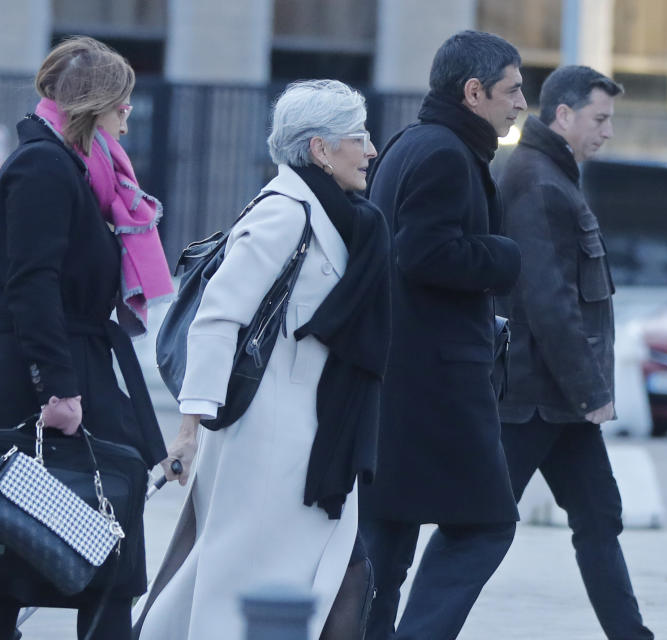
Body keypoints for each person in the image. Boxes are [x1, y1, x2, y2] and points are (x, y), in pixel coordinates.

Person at [133, 79, 389, 640]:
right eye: (359, 137)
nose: (371, 150)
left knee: (325, 576)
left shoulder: (341, 217)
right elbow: (216, 318)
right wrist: (189, 427)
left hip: (311, 438)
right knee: (239, 580)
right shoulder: (284, 213)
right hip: (266, 444)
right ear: (320, 149)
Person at [0, 36, 172, 639]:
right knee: (49, 544)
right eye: (121, 103)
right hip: (46, 374)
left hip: (75, 363)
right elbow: (31, 284)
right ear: (93, 105)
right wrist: (58, 389)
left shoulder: (75, 167)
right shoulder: (44, 166)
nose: (128, 113)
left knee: (96, 546)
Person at [360, 30, 526, 640]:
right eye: (512, 90)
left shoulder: (413, 143)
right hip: (437, 381)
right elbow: (422, 253)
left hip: (400, 375)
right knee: (486, 524)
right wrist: (504, 257)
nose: (520, 104)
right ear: (474, 91)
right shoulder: (444, 154)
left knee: (387, 534)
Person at [496, 65, 656, 639]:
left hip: (559, 403)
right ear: (563, 115)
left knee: (598, 517)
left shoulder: (554, 176)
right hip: (535, 398)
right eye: (600, 118)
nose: (608, 131)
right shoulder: (538, 182)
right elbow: (549, 300)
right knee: (481, 528)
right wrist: (592, 391)